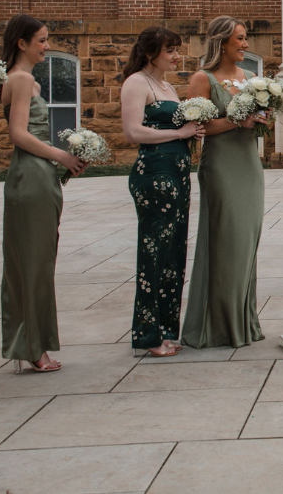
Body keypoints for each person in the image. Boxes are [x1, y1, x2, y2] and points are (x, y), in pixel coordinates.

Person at [0, 14, 86, 373]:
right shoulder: (20, 79)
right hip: (30, 175)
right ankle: (30, 345)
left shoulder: (28, 80)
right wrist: (61, 155)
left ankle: (36, 342)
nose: (47, 47)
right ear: (22, 43)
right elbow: (18, 134)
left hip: (40, 174)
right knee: (31, 264)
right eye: (41, 40)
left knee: (40, 262)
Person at [181, 16, 269, 349]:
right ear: (222, 42)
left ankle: (242, 321)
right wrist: (237, 121)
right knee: (225, 241)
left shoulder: (250, 78)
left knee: (246, 241)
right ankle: (216, 325)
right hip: (220, 166)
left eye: (246, 39)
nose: (246, 45)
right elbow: (198, 129)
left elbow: (256, 123)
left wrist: (261, 119)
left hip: (249, 165)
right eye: (241, 39)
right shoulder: (202, 79)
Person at [121, 27, 203, 357]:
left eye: (177, 49)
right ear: (150, 52)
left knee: (173, 252)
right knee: (154, 251)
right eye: (170, 50)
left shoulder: (167, 86)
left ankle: (169, 328)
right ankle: (148, 334)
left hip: (178, 175)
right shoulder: (136, 82)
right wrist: (179, 132)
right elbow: (132, 132)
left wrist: (189, 134)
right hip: (154, 175)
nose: (176, 55)